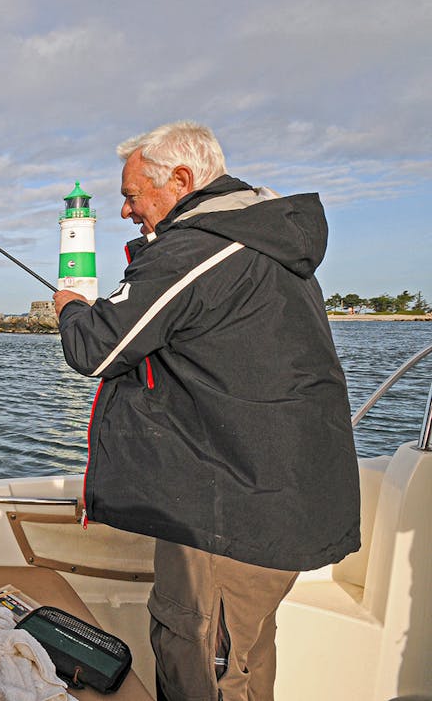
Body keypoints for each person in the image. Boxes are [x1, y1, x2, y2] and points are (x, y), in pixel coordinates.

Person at [53, 121, 361, 700]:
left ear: (181, 180)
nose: (123, 210)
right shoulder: (259, 241)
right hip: (279, 496)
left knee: (204, 662)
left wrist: (71, 308)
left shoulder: (199, 247)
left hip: (234, 511)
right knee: (242, 656)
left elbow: (96, 348)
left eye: (132, 194)